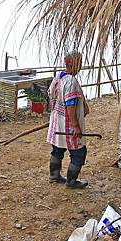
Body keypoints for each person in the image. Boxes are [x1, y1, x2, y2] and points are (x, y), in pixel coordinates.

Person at [46, 50, 90, 189]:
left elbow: (50, 95)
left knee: (58, 148)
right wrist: (76, 126)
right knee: (79, 153)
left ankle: (54, 175)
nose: (81, 65)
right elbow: (70, 106)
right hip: (68, 124)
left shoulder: (59, 77)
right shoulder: (71, 82)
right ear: (75, 64)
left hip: (57, 121)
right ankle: (71, 181)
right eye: (80, 63)